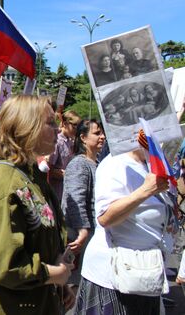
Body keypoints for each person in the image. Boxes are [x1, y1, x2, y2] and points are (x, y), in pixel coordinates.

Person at [0, 95, 74, 314]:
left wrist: (56, 284)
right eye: (50, 123)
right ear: (27, 127)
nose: (58, 130)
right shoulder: (3, 183)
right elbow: (5, 265)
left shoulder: (30, 175)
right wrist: (54, 274)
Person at [76, 149, 170, 314]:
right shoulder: (114, 163)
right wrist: (146, 190)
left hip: (145, 274)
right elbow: (105, 218)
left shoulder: (150, 164)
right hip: (113, 279)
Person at [61, 119, 105, 287]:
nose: (102, 137)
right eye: (96, 133)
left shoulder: (97, 162)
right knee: (77, 285)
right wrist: (82, 230)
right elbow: (74, 200)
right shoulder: (79, 164)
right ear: (83, 138)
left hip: (93, 233)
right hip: (80, 235)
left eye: (102, 133)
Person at [48, 110, 81, 200]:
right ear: (65, 124)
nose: (76, 130)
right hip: (57, 192)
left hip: (67, 190)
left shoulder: (71, 141)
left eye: (78, 126)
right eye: (74, 126)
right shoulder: (57, 142)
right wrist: (66, 174)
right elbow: (49, 169)